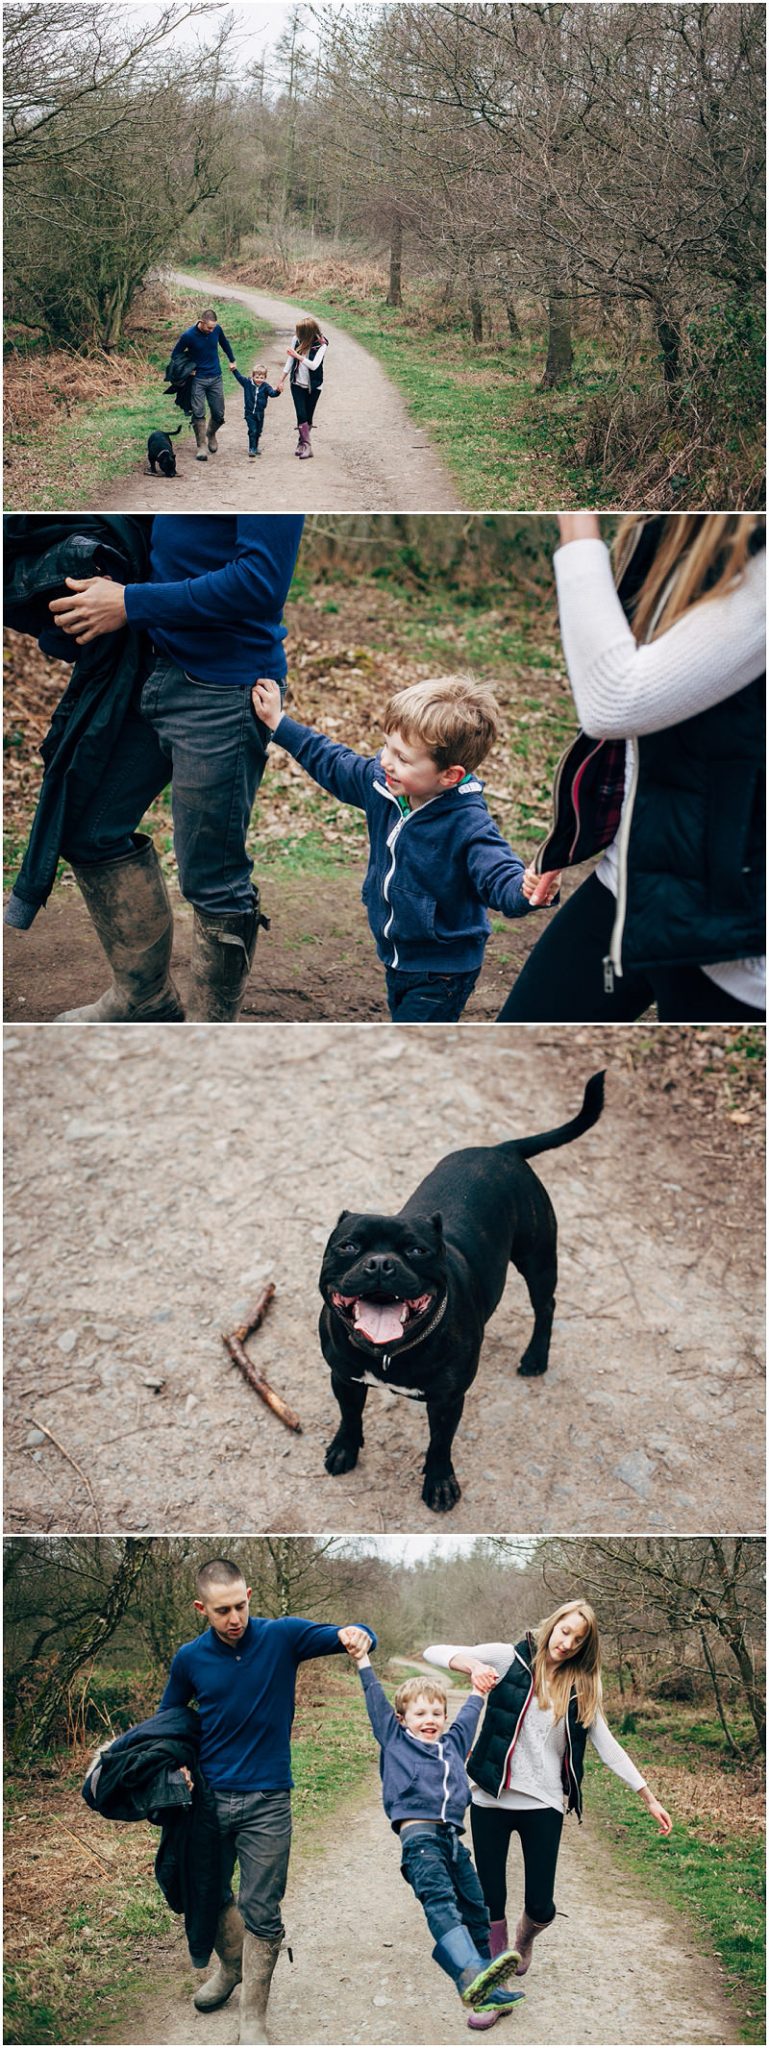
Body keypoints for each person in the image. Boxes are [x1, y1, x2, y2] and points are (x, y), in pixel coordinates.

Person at [498, 511, 766, 1023]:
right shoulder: (671, 532)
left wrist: (576, 525)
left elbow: (615, 699)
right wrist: (578, 837)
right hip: (629, 881)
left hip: (734, 932)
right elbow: (650, 733)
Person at [46, 513, 304, 1022]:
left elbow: (259, 582)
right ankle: (144, 1000)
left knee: (212, 878)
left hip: (224, 690)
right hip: (145, 668)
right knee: (87, 828)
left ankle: (210, 1035)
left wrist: (129, 603)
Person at [251, 672, 558, 1021]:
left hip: (443, 972)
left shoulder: (468, 825)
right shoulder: (383, 785)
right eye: (387, 747)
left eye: (403, 758)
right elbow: (331, 760)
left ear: (450, 776)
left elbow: (499, 878)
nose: (385, 761)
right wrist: (279, 723)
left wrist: (528, 889)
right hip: (398, 957)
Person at [424, 1602, 672, 2032]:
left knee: (541, 1906)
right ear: (553, 1623)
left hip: (544, 1805)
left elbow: (607, 1742)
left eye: (577, 1640)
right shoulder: (509, 1657)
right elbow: (435, 1651)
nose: (566, 1643)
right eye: (564, 1631)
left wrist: (647, 1796)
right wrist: (469, 1665)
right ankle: (492, 1991)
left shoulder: (582, 1685)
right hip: (490, 1799)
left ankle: (523, 1941)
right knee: (489, 1900)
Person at [162, 1557, 376, 2046]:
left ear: (250, 1596)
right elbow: (169, 1719)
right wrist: (175, 1763)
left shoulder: (283, 1636)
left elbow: (351, 1631)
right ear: (202, 1609)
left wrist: (359, 1635)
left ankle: (253, 2017)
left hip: (268, 1800)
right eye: (221, 1611)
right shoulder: (189, 1659)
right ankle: (230, 1968)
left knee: (262, 1907)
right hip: (209, 1800)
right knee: (206, 1890)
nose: (233, 1618)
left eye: (239, 1606)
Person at [343, 1635, 524, 2021]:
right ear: (403, 1719)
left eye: (436, 1714)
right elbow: (375, 1698)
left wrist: (479, 1690)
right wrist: (362, 1662)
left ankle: (487, 1984)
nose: (430, 1721)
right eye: (420, 1714)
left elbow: (471, 1715)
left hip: (453, 1843)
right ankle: (468, 1972)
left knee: (477, 1906)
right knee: (441, 1903)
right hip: (420, 1840)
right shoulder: (394, 1742)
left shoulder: (452, 1745)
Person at [171, 307, 237, 460]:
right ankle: (201, 445)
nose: (211, 330)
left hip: (216, 377)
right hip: (198, 380)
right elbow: (175, 355)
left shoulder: (216, 329)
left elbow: (224, 343)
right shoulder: (188, 335)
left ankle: (211, 433)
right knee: (199, 413)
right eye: (209, 327)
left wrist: (232, 359)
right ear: (201, 322)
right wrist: (187, 369)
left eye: (213, 327)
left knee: (219, 413)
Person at [278, 318, 328, 459]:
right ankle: (307, 446)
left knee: (308, 416)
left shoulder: (322, 345)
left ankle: (301, 443)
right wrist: (281, 379)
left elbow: (314, 365)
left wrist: (296, 355)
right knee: (301, 414)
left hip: (314, 386)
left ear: (308, 333)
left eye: (300, 332)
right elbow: (290, 361)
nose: (297, 334)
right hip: (297, 383)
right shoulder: (296, 339)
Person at [230, 360, 282, 459]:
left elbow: (272, 394)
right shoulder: (247, 383)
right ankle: (252, 448)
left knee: (258, 431)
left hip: (260, 413)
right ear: (253, 376)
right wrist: (234, 370)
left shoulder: (266, 386)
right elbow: (239, 377)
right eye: (257, 377)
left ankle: (256, 446)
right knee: (252, 430)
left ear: (265, 378)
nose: (259, 379)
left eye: (261, 378)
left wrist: (278, 391)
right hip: (249, 413)